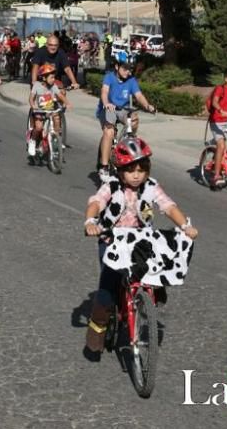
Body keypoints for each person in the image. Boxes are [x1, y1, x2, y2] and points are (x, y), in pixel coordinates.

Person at [82, 137, 198, 360]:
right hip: (112, 242)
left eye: (141, 169)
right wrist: (90, 222)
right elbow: (96, 203)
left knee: (159, 266)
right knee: (107, 290)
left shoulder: (151, 186)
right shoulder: (112, 185)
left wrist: (185, 226)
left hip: (140, 242)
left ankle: (149, 294)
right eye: (131, 170)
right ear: (120, 169)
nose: (137, 175)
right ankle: (98, 332)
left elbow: (168, 205)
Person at [96, 52, 156, 183]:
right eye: (125, 68)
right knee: (109, 132)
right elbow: (104, 92)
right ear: (117, 66)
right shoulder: (109, 77)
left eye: (130, 68)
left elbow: (139, 95)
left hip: (122, 109)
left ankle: (125, 141)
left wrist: (147, 106)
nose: (128, 71)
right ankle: (104, 167)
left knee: (134, 119)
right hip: (108, 108)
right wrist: (106, 103)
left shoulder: (131, 80)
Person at [27, 63, 68, 160]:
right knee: (38, 127)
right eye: (52, 78)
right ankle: (32, 141)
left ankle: (56, 139)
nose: (54, 80)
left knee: (57, 118)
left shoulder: (53, 86)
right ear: (44, 78)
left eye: (54, 77)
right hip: (40, 111)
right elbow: (31, 98)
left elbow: (60, 95)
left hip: (50, 110)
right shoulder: (37, 85)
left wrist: (66, 102)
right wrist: (33, 106)